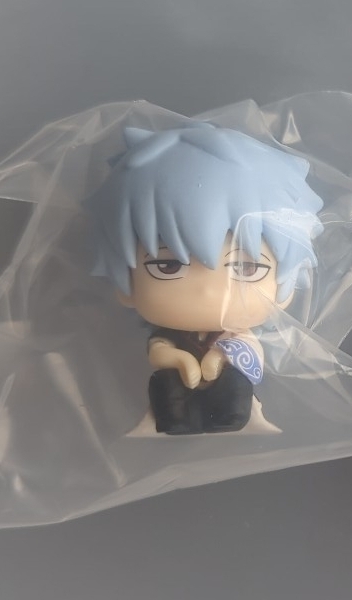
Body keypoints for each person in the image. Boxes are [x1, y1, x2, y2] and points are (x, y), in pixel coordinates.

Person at [86, 124, 324, 434]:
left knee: (235, 383)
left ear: (285, 287)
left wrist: (218, 359)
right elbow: (159, 352)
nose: (209, 292)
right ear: (126, 286)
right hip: (179, 385)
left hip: (226, 384)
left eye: (247, 268)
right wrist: (180, 361)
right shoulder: (168, 335)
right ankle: (173, 420)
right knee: (164, 383)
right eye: (167, 266)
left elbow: (252, 354)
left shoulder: (237, 335)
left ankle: (232, 417)